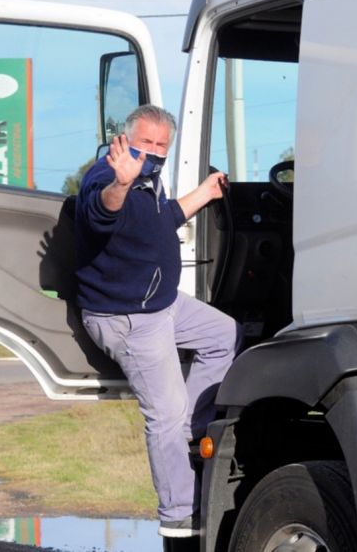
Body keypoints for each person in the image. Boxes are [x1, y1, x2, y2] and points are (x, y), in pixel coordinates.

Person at [74, 104, 239, 538]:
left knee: (224, 334)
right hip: (129, 317)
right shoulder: (108, 176)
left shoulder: (149, 181)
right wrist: (120, 183)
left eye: (161, 145)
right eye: (146, 142)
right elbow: (99, 213)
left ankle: (187, 432)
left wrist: (205, 193)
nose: (153, 150)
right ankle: (179, 515)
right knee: (164, 413)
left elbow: (162, 219)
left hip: (163, 305)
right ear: (126, 140)